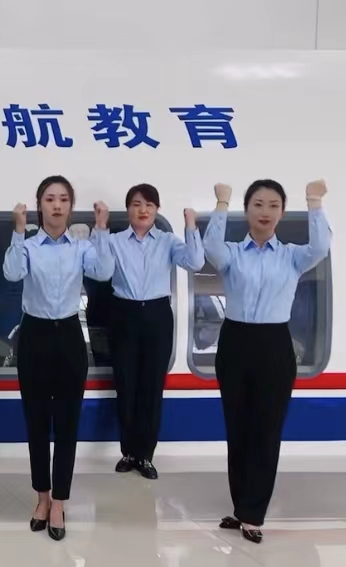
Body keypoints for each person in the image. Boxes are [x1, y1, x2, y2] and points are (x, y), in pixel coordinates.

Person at [207, 179, 330, 544]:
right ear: (246, 210)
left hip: (274, 344)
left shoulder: (292, 256)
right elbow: (211, 247)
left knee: (266, 430)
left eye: (274, 205)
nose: (265, 212)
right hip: (235, 342)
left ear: (282, 212)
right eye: (258, 204)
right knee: (238, 429)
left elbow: (321, 246)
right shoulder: (233, 254)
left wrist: (314, 202)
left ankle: (253, 514)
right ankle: (240, 506)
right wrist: (221, 203)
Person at [2, 175, 113, 542]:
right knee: (36, 423)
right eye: (50, 199)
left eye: (63, 199)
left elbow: (104, 271)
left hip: (68, 336)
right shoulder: (29, 246)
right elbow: (11, 272)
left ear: (70, 206)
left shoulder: (81, 247)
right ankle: (41, 498)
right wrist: (18, 231)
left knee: (67, 425)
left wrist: (101, 229)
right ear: (40, 205)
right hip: (33, 336)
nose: (57, 205)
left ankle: (60, 502)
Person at [103, 184, 204, 480]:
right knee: (126, 385)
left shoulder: (168, 241)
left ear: (157, 210)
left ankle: (146, 455)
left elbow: (196, 262)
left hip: (158, 314)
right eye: (136, 204)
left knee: (152, 387)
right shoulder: (114, 241)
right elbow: (100, 270)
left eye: (149, 204)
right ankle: (128, 452)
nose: (143, 210)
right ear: (128, 210)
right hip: (123, 314)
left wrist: (190, 225)